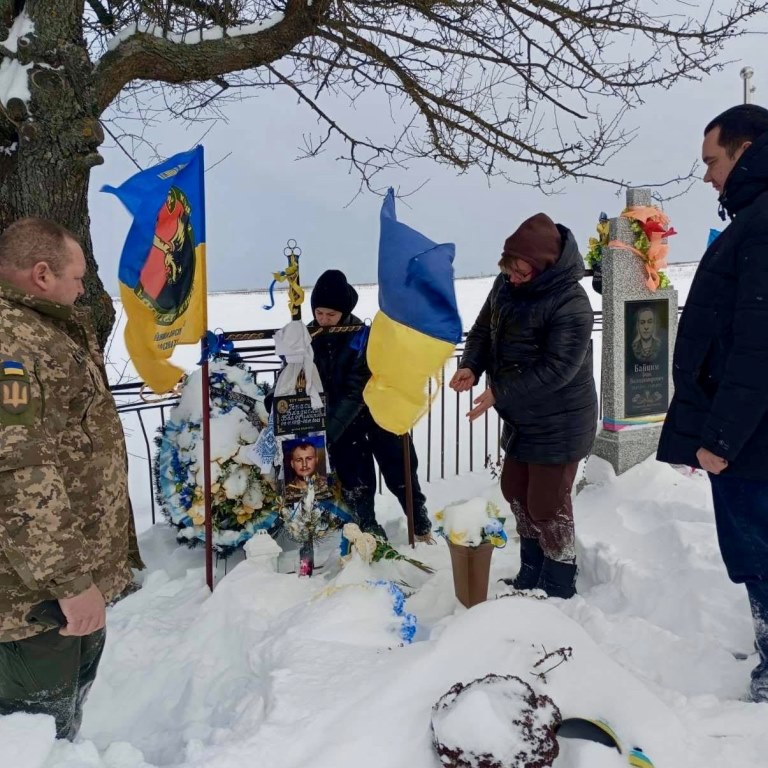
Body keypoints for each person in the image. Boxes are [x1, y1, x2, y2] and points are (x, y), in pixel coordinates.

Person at [0, 218, 132, 739]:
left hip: (59, 589)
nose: (83, 289)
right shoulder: (10, 341)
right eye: (77, 278)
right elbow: (18, 475)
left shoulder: (42, 328)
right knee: (29, 738)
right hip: (28, 601)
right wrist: (71, 583)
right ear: (42, 274)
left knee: (58, 729)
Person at [656, 104, 768, 703]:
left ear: (745, 151)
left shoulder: (762, 225)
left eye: (712, 160)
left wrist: (720, 438)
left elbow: (756, 346)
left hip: (752, 442)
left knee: (760, 553)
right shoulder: (753, 219)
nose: (706, 176)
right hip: (752, 433)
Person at [450, 213, 596, 598]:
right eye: (508, 269)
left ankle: (559, 579)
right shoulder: (505, 285)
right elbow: (483, 330)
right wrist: (471, 365)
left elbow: (558, 368)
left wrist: (499, 392)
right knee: (514, 489)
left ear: (544, 266)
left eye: (521, 272)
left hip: (561, 420)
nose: (512, 278)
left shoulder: (571, 302)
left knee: (546, 503)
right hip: (523, 418)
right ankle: (531, 569)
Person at [309, 269, 433, 542]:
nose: (324, 320)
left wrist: (330, 430)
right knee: (356, 482)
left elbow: (356, 390)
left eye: (331, 314)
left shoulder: (363, 337)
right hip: (343, 426)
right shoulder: (307, 339)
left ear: (344, 312)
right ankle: (369, 535)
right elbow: (297, 376)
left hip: (378, 415)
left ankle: (421, 526)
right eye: (319, 313)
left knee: (401, 473)